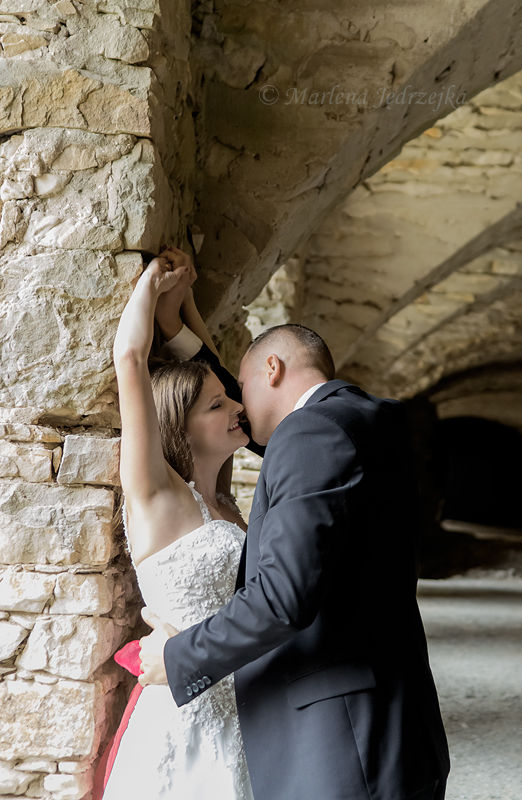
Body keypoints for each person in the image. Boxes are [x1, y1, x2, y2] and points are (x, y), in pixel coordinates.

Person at [139, 257, 451, 800]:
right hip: (393, 725)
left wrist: (178, 657)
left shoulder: (311, 435)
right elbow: (250, 424)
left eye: (241, 388)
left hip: (344, 743)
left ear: (273, 369)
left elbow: (283, 599)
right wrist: (176, 323)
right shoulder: (369, 419)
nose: (238, 407)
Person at [101, 248, 255, 800]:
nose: (236, 406)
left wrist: (185, 305)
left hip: (247, 708)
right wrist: (152, 282)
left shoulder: (226, 502)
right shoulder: (157, 495)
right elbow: (129, 359)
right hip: (185, 710)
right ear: (181, 428)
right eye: (217, 406)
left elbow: (218, 379)